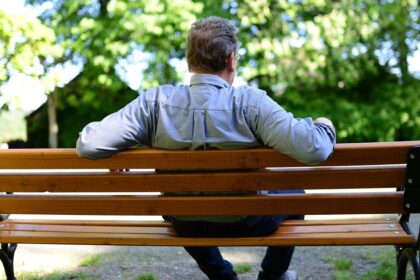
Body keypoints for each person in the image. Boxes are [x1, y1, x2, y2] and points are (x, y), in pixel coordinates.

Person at [76, 16, 336, 280]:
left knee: (183, 205)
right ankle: (272, 276)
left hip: (186, 223)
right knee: (295, 194)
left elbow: (88, 143)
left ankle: (223, 277)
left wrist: (125, 146)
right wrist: (324, 124)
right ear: (231, 59)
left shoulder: (155, 102)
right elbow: (314, 149)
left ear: (190, 61)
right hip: (249, 220)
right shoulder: (252, 103)